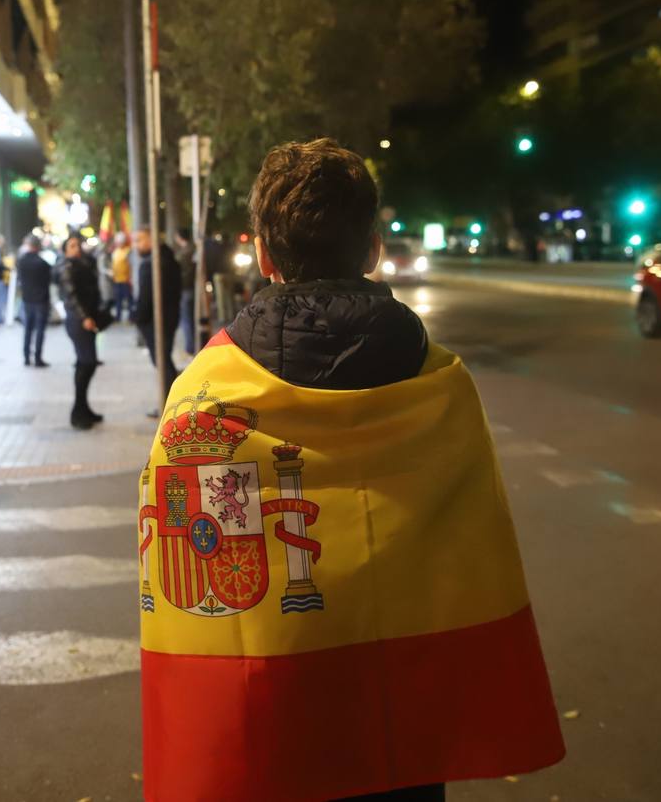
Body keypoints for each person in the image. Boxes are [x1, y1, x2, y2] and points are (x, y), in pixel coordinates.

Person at [137, 139, 564, 801]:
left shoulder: (204, 394)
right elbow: (472, 545)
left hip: (274, 715)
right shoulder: (442, 379)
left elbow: (192, 571)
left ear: (266, 254)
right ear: (372, 248)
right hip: (405, 720)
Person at [56, 234, 104, 429]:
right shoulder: (66, 267)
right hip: (79, 321)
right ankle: (78, 411)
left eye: (78, 245)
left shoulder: (82, 264)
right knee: (87, 362)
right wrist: (84, 317)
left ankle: (83, 408)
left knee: (86, 363)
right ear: (65, 249)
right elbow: (71, 296)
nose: (76, 248)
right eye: (72, 246)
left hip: (86, 319)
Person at [132, 228, 181, 405]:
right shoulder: (169, 259)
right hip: (168, 318)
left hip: (157, 321)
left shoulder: (152, 264)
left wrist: (137, 317)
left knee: (162, 362)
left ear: (151, 239)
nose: (136, 245)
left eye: (139, 240)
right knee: (164, 361)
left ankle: (169, 403)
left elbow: (146, 298)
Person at [17, 234, 52, 367]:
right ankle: (37, 357)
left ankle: (26, 357)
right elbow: (48, 281)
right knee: (40, 330)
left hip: (27, 299)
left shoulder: (21, 261)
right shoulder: (42, 264)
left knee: (28, 329)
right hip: (41, 300)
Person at [174, 231, 197, 355]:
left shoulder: (184, 253)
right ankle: (192, 345)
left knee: (187, 319)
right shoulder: (193, 249)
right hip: (191, 288)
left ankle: (190, 347)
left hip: (186, 288)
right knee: (190, 319)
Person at [110, 233, 134, 322]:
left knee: (129, 300)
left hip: (126, 280)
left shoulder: (128, 251)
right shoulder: (115, 252)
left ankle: (131, 317)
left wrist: (131, 278)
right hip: (117, 280)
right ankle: (118, 317)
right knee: (118, 301)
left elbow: (131, 265)